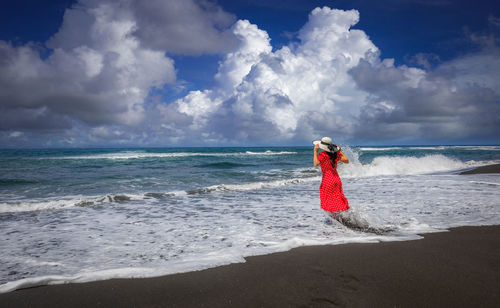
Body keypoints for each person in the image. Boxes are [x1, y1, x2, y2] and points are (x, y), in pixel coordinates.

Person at [313, 137, 350, 214]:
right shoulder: (335, 155)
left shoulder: (322, 155)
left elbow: (316, 164)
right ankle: (342, 216)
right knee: (338, 198)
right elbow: (347, 161)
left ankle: (334, 218)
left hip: (328, 179)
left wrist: (315, 151)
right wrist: (339, 151)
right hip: (336, 178)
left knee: (329, 200)